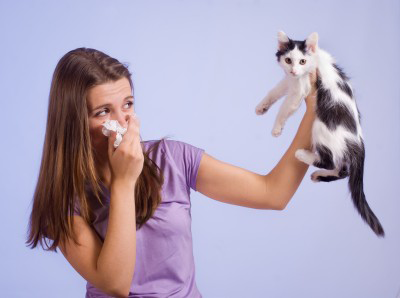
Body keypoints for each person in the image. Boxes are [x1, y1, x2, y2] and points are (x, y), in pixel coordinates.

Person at [26, 47, 317, 298]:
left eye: (127, 105)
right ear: (74, 123)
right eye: (103, 112)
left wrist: (314, 110)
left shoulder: (173, 159)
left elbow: (273, 193)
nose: (123, 122)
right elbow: (115, 285)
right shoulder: (64, 203)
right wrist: (124, 183)